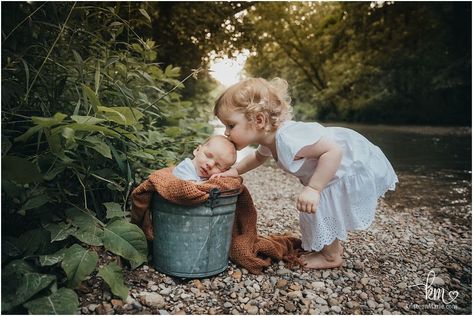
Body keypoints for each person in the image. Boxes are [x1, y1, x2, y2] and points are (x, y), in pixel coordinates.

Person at [210, 78, 398, 269]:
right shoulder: (269, 140)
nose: (226, 132)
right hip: (331, 172)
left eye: (231, 125)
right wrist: (234, 170)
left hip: (349, 166)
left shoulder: (288, 138)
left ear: (259, 120)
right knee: (317, 210)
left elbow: (333, 151)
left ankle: (331, 257)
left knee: (317, 208)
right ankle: (331, 249)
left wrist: (314, 188)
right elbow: (257, 158)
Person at [172, 135, 237, 181]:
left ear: (224, 171)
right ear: (197, 150)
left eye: (218, 166)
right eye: (208, 156)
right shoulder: (185, 167)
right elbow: (186, 187)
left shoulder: (212, 177)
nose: (210, 164)